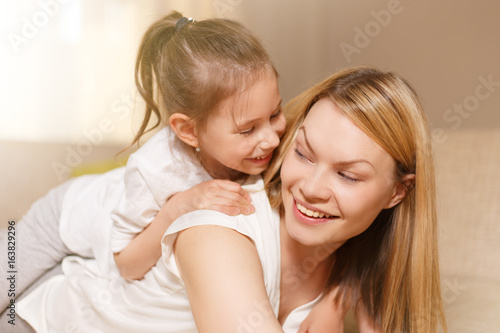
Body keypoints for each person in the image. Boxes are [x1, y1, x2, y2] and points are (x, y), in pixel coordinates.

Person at [12, 66, 446, 332]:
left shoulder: (354, 258)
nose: (311, 186)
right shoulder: (219, 223)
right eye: (303, 152)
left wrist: (343, 294)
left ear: (396, 193)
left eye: (348, 175)